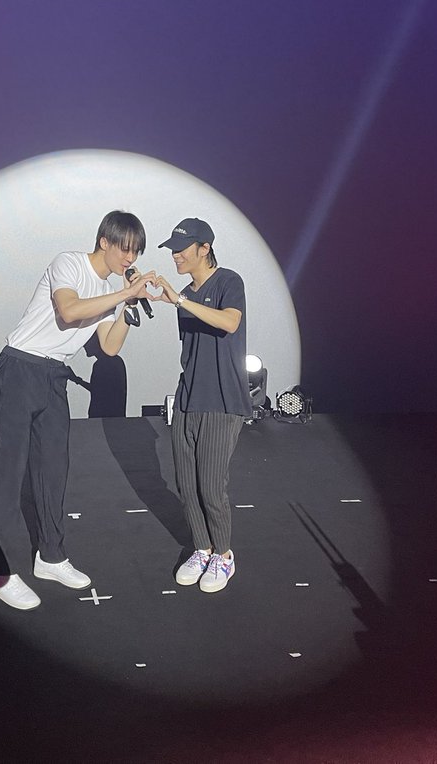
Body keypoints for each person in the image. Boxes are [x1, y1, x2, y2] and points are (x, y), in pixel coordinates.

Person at [0, 211, 159, 610]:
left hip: (54, 376)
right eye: (125, 249)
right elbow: (69, 311)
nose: (130, 259)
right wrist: (123, 295)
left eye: (136, 252)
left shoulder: (109, 290)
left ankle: (51, 556)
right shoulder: (69, 263)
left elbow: (109, 347)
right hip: (20, 367)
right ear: (105, 242)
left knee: (53, 470)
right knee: (9, 476)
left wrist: (128, 309)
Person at [153, 218, 248, 593]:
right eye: (173, 250)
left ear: (204, 248)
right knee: (186, 485)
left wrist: (180, 300)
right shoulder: (183, 295)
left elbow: (229, 323)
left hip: (222, 401)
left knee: (210, 486)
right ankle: (202, 549)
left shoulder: (228, 281)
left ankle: (223, 555)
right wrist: (174, 299)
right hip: (188, 399)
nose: (175, 256)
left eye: (182, 249)